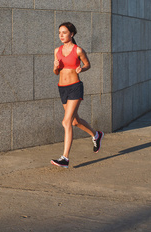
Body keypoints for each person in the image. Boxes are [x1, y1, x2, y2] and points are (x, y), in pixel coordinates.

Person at [51, 22, 104, 169]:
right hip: (62, 88)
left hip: (75, 87)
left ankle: (65, 158)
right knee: (74, 121)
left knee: (66, 122)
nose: (61, 35)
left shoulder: (78, 50)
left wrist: (82, 69)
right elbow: (56, 72)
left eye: (64, 32)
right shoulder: (57, 50)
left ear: (72, 34)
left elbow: (88, 64)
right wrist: (55, 67)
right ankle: (96, 135)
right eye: (59, 32)